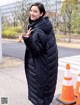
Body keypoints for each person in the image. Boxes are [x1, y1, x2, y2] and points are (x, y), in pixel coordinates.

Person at [22, 2, 58, 105]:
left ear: (41, 14)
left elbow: (36, 51)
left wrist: (27, 39)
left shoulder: (38, 30)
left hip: (39, 70)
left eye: (35, 11)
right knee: (45, 97)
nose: (32, 13)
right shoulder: (46, 26)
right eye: (31, 10)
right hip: (47, 68)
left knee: (39, 99)